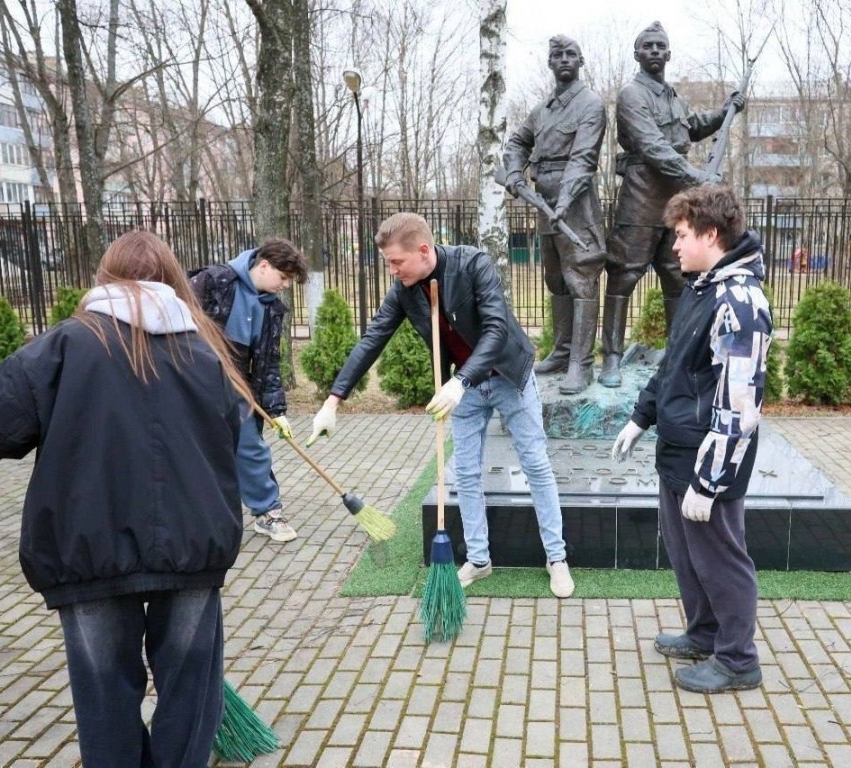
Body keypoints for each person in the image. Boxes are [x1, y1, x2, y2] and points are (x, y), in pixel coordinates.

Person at [0, 230, 251, 766]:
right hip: (192, 542)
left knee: (104, 694)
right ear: (172, 280)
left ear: (104, 277)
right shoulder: (205, 352)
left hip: (86, 545)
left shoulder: (65, 344)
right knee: (190, 688)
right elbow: (227, 442)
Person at [307, 212, 575, 598]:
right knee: (465, 472)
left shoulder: (473, 264)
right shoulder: (404, 289)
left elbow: (497, 329)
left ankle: (557, 557)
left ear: (423, 250)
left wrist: (460, 382)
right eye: (388, 264)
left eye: (396, 262)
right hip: (461, 387)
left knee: (534, 462)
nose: (392, 271)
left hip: (507, 378)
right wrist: (333, 401)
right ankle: (479, 560)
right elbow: (373, 338)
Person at [612, 184, 772, 693]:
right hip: (678, 451)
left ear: (710, 233)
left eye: (682, 235)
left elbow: (740, 405)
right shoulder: (701, 289)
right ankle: (704, 633)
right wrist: (641, 418)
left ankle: (738, 660)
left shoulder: (739, 302)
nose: (675, 246)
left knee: (721, 558)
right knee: (687, 555)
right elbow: (673, 367)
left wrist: (710, 481)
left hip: (708, 460)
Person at [600, 21, 745, 388]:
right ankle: (612, 358)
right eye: (646, 45)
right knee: (624, 277)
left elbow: (689, 128)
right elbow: (653, 147)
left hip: (675, 202)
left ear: (668, 53)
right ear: (637, 54)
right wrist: (699, 177)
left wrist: (725, 112)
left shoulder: (671, 96)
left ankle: (676, 354)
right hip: (641, 200)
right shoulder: (632, 95)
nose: (654, 51)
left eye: (660, 46)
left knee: (676, 280)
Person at [503, 34, 607, 394]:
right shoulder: (542, 109)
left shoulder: (591, 104)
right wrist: (515, 174)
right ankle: (562, 353)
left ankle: (582, 363)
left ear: (580, 61)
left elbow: (584, 159)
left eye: (570, 54)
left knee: (581, 281)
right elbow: (518, 142)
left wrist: (563, 202)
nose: (564, 59)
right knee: (556, 281)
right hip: (544, 202)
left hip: (575, 205)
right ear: (550, 63)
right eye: (557, 55)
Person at [190, 238, 308, 542]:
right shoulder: (213, 281)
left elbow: (269, 362)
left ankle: (268, 512)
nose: (285, 285)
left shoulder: (272, 308)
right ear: (264, 265)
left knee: (250, 445)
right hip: (195, 376)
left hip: (239, 381)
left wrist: (277, 411)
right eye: (283, 278)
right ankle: (195, 514)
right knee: (195, 448)